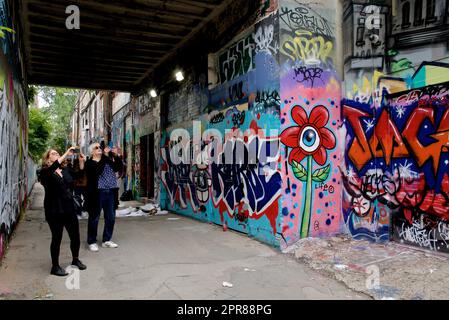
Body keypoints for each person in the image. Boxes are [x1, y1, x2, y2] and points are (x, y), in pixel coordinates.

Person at [39, 147, 87, 276]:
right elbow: (52, 168)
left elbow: (78, 177)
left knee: (75, 236)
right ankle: (55, 267)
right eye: (53, 153)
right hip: (54, 209)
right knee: (57, 238)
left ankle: (75, 260)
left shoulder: (65, 169)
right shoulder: (45, 172)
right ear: (48, 158)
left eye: (58, 153)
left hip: (68, 208)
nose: (57, 155)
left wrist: (82, 162)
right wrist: (67, 153)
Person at [85, 142, 123, 252]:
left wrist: (115, 156)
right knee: (94, 218)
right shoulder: (89, 163)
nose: (99, 149)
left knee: (110, 217)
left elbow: (117, 167)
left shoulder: (106, 159)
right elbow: (98, 171)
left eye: (100, 147)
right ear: (92, 152)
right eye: (96, 148)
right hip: (97, 193)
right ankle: (92, 241)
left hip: (111, 191)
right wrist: (104, 157)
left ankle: (107, 240)